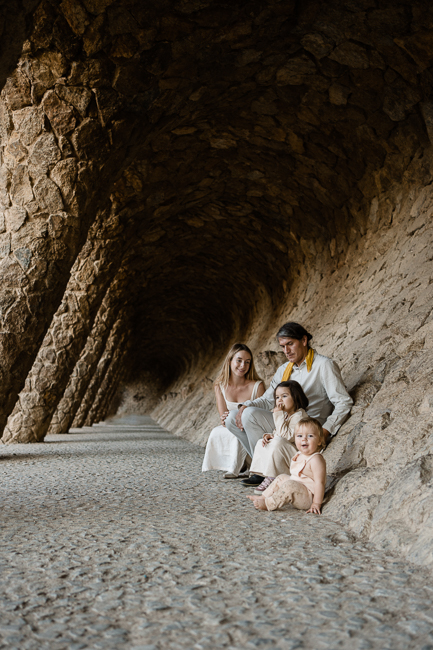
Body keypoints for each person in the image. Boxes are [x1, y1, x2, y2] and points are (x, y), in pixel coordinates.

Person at [224, 322, 353, 486]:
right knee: (232, 418)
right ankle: (264, 470)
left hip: (306, 427)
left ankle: (269, 472)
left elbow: (343, 402)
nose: (286, 351)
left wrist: (326, 430)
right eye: (283, 346)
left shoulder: (323, 365)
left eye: (290, 344)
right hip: (284, 423)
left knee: (248, 415)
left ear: (304, 340)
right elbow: (267, 399)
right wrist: (244, 406)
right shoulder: (284, 369)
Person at [202, 343, 265, 478]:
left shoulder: (257, 386)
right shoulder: (220, 386)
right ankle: (244, 465)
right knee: (225, 427)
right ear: (230, 361)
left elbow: (261, 415)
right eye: (239, 360)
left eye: (247, 362)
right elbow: (223, 417)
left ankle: (239, 467)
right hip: (230, 426)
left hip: (252, 428)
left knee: (243, 425)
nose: (243, 366)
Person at [247, 416, 326, 514]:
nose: (304, 439)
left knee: (289, 485)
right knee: (282, 477)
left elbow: (320, 483)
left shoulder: (316, 459)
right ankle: (263, 496)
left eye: (310, 436)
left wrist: (316, 503)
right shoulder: (299, 454)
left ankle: (269, 504)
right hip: (297, 489)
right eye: (299, 436)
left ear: (319, 441)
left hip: (308, 497)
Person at [248, 381, 309, 494]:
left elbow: (286, 437)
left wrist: (278, 415)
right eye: (277, 397)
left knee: (278, 442)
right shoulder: (286, 415)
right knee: (262, 442)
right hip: (286, 453)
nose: (279, 400)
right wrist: (271, 435)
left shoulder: (299, 416)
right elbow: (280, 432)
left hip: (296, 458)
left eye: (284, 396)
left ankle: (273, 477)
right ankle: (266, 474)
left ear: (296, 397)